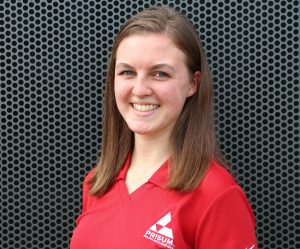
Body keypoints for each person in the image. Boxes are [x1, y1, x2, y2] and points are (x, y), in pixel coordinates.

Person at [70, 5, 258, 249]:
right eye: (127, 72)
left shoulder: (215, 193)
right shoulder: (96, 184)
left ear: (193, 83)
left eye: (159, 74)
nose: (139, 89)